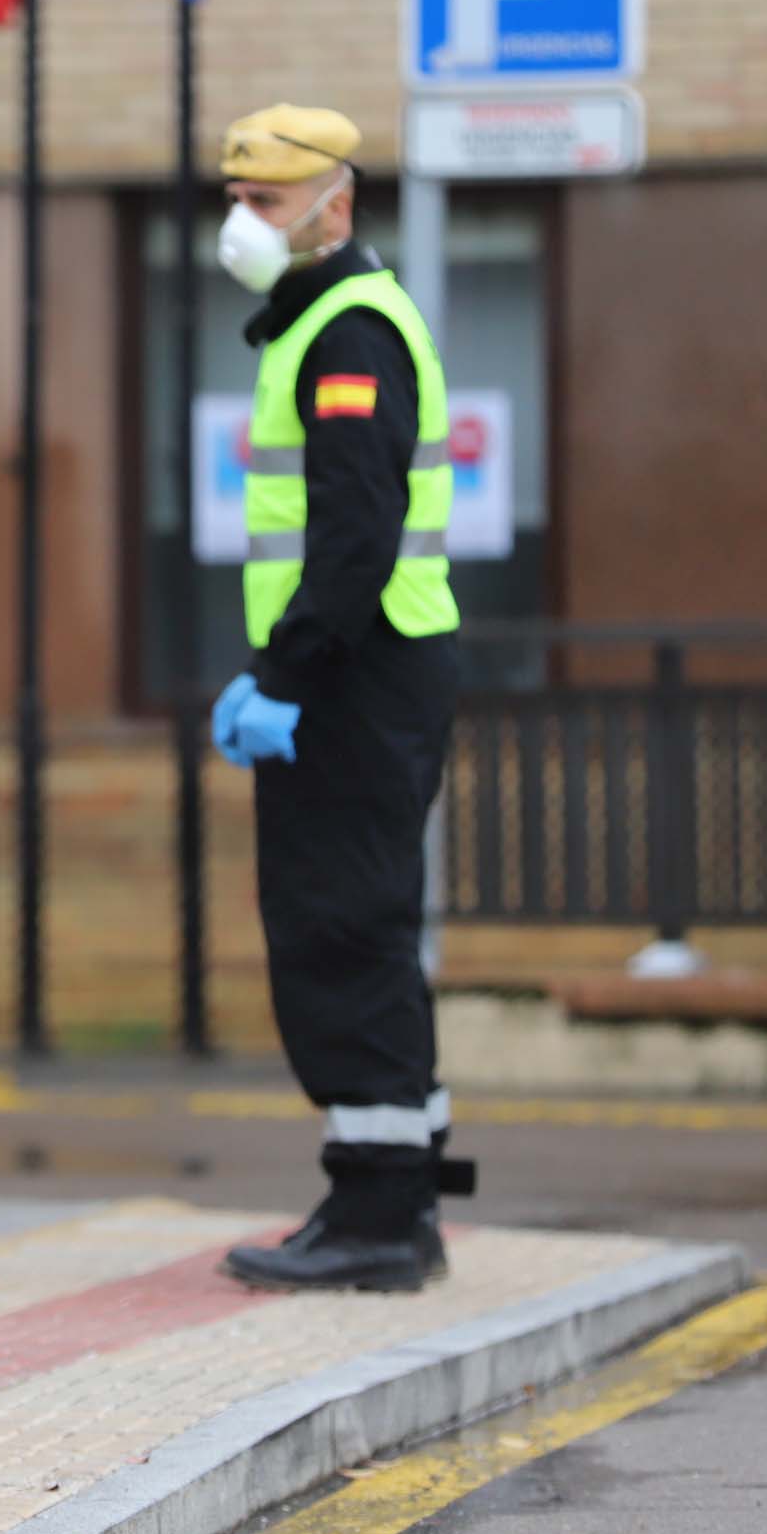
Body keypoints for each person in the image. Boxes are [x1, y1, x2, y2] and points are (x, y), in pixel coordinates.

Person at [204, 103, 469, 1294]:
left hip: (356, 678)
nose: (241, 221)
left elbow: (354, 542)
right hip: (356, 675)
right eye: (237, 197)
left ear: (334, 205)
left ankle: (378, 1215)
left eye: (265, 201)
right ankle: (391, 1196)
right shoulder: (317, 323)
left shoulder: (351, 333)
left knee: (342, 929)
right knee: (353, 926)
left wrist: (284, 676)